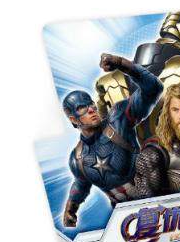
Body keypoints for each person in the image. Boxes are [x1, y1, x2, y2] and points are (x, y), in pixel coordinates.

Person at [62, 53, 162, 227]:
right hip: (128, 219)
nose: (91, 109)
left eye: (90, 103)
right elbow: (81, 183)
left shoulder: (118, 119)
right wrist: (71, 208)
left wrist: (122, 64)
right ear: (73, 119)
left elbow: (154, 88)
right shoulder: (77, 158)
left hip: (160, 203)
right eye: (82, 108)